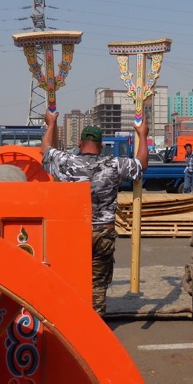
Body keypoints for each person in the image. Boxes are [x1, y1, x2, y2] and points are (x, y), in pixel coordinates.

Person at [41, 109, 149, 316]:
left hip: (75, 230)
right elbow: (141, 163)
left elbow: (45, 150)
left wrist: (51, 123)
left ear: (80, 144)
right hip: (103, 231)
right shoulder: (113, 164)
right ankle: (96, 325)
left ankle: (72, 320)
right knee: (98, 283)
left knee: (70, 277)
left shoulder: (66, 162)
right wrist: (142, 134)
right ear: (101, 146)